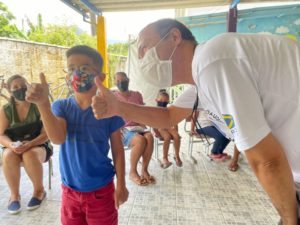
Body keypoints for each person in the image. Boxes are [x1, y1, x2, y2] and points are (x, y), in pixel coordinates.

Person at [91, 19, 300, 224]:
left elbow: (267, 160)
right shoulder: (204, 73)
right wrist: (118, 107)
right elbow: (169, 116)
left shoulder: (213, 63)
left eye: (145, 47)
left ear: (174, 37)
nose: (141, 57)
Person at [25, 45, 128, 225]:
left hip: (101, 192)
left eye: (84, 68)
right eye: (71, 68)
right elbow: (57, 138)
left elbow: (118, 151)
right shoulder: (61, 106)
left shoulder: (110, 109)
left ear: (100, 76)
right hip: (69, 193)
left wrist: (121, 185)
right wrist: (43, 104)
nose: (76, 73)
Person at [0, 74, 53, 214]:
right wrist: (11, 145)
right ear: (10, 91)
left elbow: (47, 133)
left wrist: (30, 143)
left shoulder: (38, 105)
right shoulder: (6, 110)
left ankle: (39, 191)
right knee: (7, 155)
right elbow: (1, 134)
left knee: (29, 155)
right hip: (15, 146)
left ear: (28, 86)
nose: (20, 89)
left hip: (39, 144)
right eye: (15, 87)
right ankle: (14, 195)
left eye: (23, 86)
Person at [114, 71, 155, 186]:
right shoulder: (113, 97)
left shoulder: (137, 95)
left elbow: (142, 112)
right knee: (140, 140)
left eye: (123, 80)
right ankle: (133, 172)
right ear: (115, 83)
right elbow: (110, 116)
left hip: (138, 127)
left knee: (150, 137)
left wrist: (144, 123)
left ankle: (144, 170)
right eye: (118, 81)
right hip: (123, 130)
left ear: (128, 80)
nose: (121, 83)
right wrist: (116, 129)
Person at [153, 89, 182, 168]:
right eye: (161, 100)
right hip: (160, 128)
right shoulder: (154, 110)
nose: (163, 102)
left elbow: (174, 121)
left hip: (168, 126)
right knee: (167, 137)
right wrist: (157, 133)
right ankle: (165, 158)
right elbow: (152, 123)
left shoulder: (168, 110)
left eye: (165, 100)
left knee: (176, 135)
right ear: (156, 100)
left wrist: (175, 129)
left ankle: (177, 156)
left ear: (168, 101)